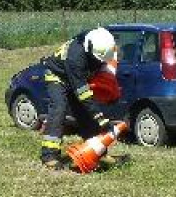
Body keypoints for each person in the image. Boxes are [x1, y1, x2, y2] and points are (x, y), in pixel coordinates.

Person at [39, 27, 120, 171]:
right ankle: (49, 156)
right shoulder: (75, 57)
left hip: (76, 78)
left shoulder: (100, 42)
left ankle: (99, 152)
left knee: (85, 115)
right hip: (57, 77)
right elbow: (83, 94)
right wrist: (101, 119)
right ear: (89, 49)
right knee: (59, 109)